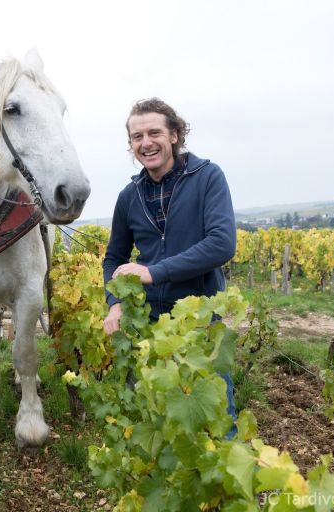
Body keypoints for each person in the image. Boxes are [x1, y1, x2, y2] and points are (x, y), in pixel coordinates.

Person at [101, 98, 237, 433]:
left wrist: (153, 271)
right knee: (150, 416)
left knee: (215, 418)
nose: (145, 143)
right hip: (145, 321)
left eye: (154, 132)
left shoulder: (207, 177)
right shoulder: (128, 196)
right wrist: (115, 303)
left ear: (174, 135)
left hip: (201, 317)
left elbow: (222, 243)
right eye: (136, 137)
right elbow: (113, 258)